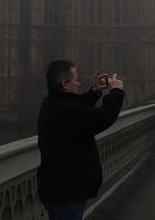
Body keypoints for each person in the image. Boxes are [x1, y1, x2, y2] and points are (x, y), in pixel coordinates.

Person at [36, 60, 125, 220]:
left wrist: (95, 91)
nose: (79, 83)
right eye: (76, 79)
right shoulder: (64, 110)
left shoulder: (53, 103)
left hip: (60, 188)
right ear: (64, 83)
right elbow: (104, 117)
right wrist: (116, 92)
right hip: (66, 191)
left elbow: (77, 108)